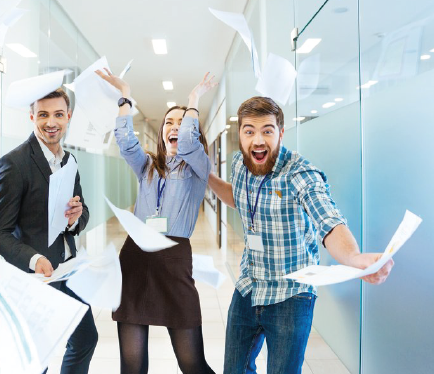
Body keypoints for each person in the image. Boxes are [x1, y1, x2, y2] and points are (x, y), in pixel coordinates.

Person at [207, 96, 394, 374]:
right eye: (249, 131)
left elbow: (328, 219)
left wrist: (353, 257)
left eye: (267, 131)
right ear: (241, 135)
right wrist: (205, 177)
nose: (258, 140)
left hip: (291, 295)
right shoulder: (239, 164)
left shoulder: (300, 173)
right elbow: (237, 197)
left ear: (281, 133)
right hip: (249, 285)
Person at [95, 69, 217, 374]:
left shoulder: (198, 166)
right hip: (135, 259)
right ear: (161, 131)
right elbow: (125, 140)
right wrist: (124, 93)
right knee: (132, 366)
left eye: (182, 121)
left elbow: (188, 143)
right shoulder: (148, 166)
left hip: (173, 261)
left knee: (192, 363)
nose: (175, 127)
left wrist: (193, 100)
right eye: (169, 123)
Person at [0, 88, 97, 374]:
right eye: (44, 115)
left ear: (68, 117)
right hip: (34, 278)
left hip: (67, 271)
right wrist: (34, 260)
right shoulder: (14, 164)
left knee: (86, 338)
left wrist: (75, 218)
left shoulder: (69, 160)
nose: (52, 122)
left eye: (59, 114)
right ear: (32, 116)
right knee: (38, 359)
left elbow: (82, 213)